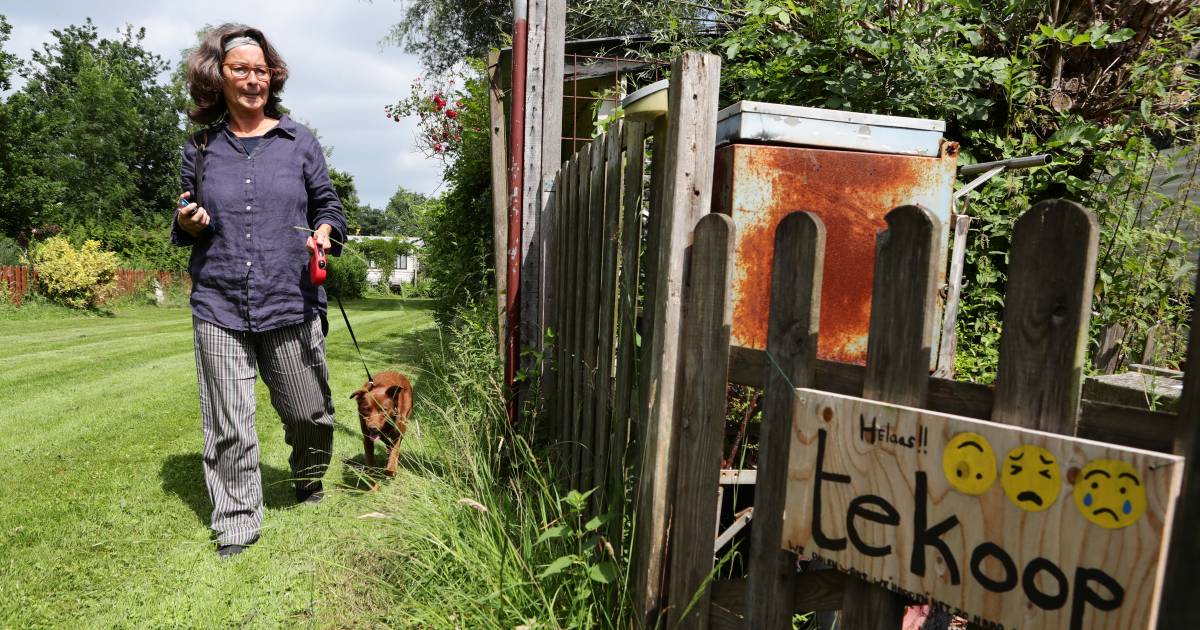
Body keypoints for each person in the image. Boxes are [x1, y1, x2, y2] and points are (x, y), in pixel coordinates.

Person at [172, 24, 346, 558]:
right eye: (241, 70)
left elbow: (329, 205)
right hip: (219, 299)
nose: (253, 80)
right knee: (229, 421)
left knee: (308, 413)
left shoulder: (300, 142)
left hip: (290, 298)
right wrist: (189, 221)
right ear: (218, 78)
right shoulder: (200, 148)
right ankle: (237, 520)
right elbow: (184, 216)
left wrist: (325, 230)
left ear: (273, 77)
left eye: (261, 70)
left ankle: (308, 473)